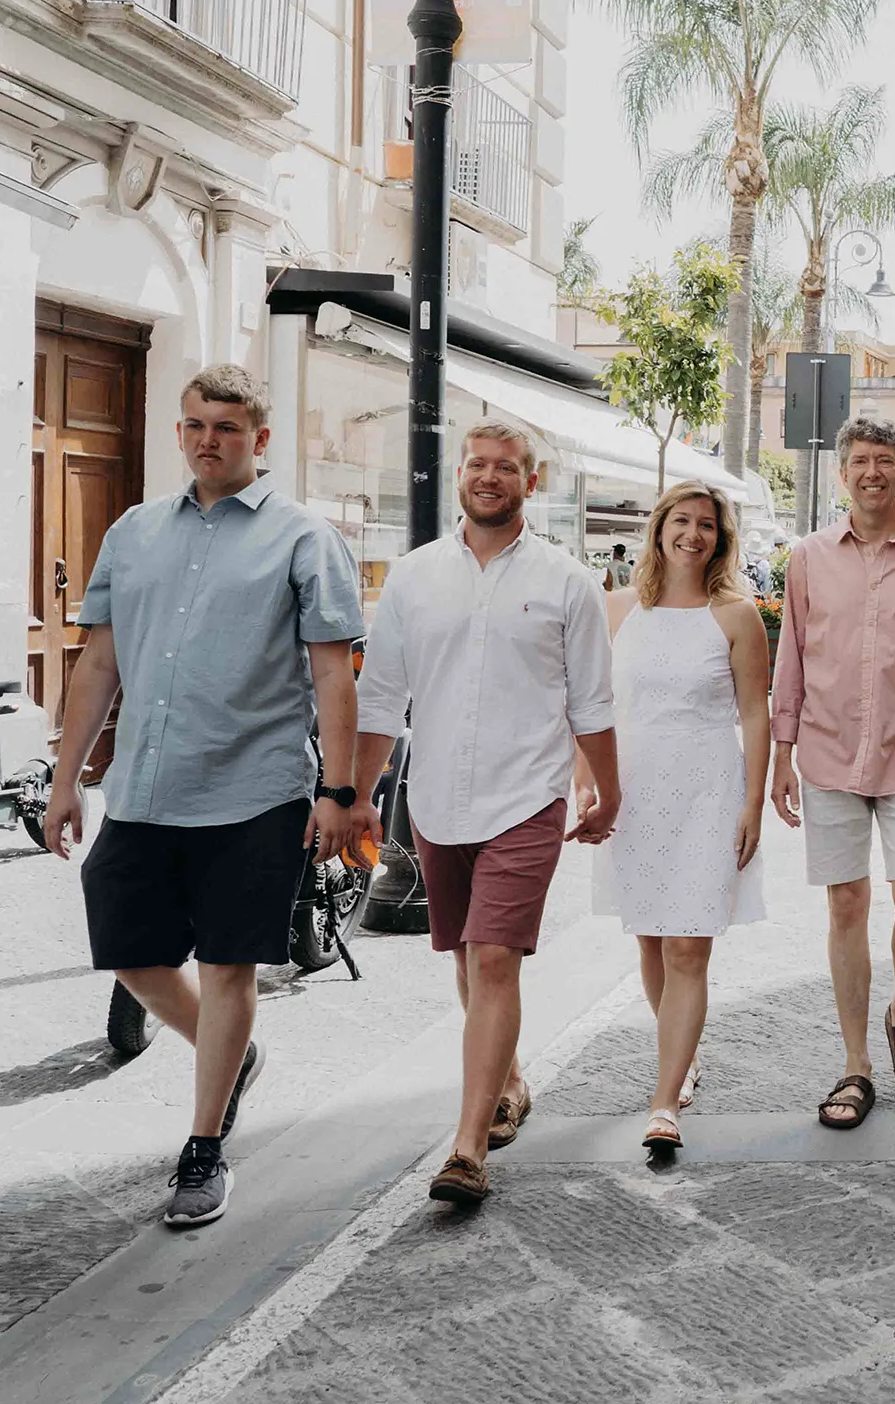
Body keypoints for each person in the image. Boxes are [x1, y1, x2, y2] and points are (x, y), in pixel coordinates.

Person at [42, 364, 364, 1229]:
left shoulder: (304, 537)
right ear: (179, 434)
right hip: (144, 786)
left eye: (227, 427)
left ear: (260, 440)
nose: (208, 440)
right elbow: (98, 663)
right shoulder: (134, 533)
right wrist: (67, 779)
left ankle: (203, 1146)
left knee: (229, 964)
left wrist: (340, 789)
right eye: (195, 425)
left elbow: (334, 673)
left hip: (255, 790)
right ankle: (232, 1056)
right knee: (129, 952)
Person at [354, 421, 620, 1206]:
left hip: (527, 797)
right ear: (460, 474)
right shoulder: (412, 577)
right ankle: (505, 1078)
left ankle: (467, 1149)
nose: (490, 476)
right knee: (468, 961)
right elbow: (381, 697)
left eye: (507, 467)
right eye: (478, 464)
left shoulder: (569, 582)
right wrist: (361, 794)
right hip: (436, 798)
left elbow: (592, 701)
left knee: (495, 956)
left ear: (530, 483)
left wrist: (608, 787)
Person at [771, 418, 895, 1130]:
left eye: (885, 460)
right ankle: (855, 1063)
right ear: (843, 475)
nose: (872, 472)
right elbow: (789, 660)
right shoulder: (807, 558)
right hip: (825, 753)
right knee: (846, 907)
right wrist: (780, 755)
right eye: (859, 461)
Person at [595, 481, 769, 1154]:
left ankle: (664, 1101)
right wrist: (592, 785)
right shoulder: (617, 609)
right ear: (659, 528)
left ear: (720, 539)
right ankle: (683, 1054)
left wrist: (753, 801)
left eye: (707, 525)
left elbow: (756, 712)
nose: (692, 534)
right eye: (681, 521)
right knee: (649, 938)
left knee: (688, 944)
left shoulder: (736, 616)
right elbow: (595, 706)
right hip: (635, 786)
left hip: (707, 786)